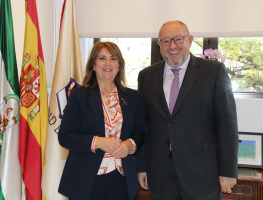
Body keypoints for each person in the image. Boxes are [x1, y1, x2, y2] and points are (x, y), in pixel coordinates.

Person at [136, 21, 239, 200]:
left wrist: (228, 170)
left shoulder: (213, 71)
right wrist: (142, 166)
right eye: (166, 41)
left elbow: (227, 125)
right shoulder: (146, 76)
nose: (173, 46)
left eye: (178, 39)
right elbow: (144, 125)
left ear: (190, 40)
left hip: (202, 173)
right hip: (160, 175)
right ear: (159, 45)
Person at [58, 41, 145, 200]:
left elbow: (140, 131)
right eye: (102, 58)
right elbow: (64, 136)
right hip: (87, 178)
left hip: (122, 178)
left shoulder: (133, 97)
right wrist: (98, 142)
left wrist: (130, 144)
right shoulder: (79, 96)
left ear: (119, 65)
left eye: (113, 58)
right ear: (93, 64)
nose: (108, 63)